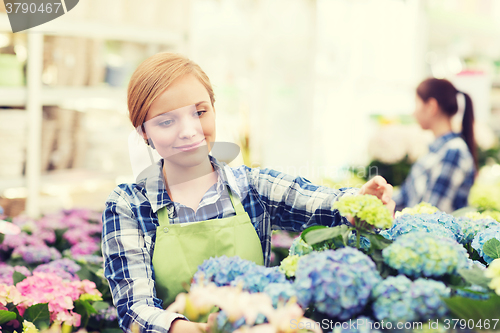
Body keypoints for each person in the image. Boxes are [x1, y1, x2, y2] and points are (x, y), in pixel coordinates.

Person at [101, 52, 395, 333]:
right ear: (143, 133)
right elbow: (135, 309)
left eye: (199, 112)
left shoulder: (252, 188)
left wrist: (363, 201)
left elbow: (323, 204)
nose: (189, 130)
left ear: (214, 109)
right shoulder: (129, 205)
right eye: (167, 121)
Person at [393, 78, 477, 213]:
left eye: (416, 103)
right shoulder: (438, 148)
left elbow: (431, 214)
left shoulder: (453, 151)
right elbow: (405, 195)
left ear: (431, 106)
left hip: (426, 233)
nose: (413, 112)